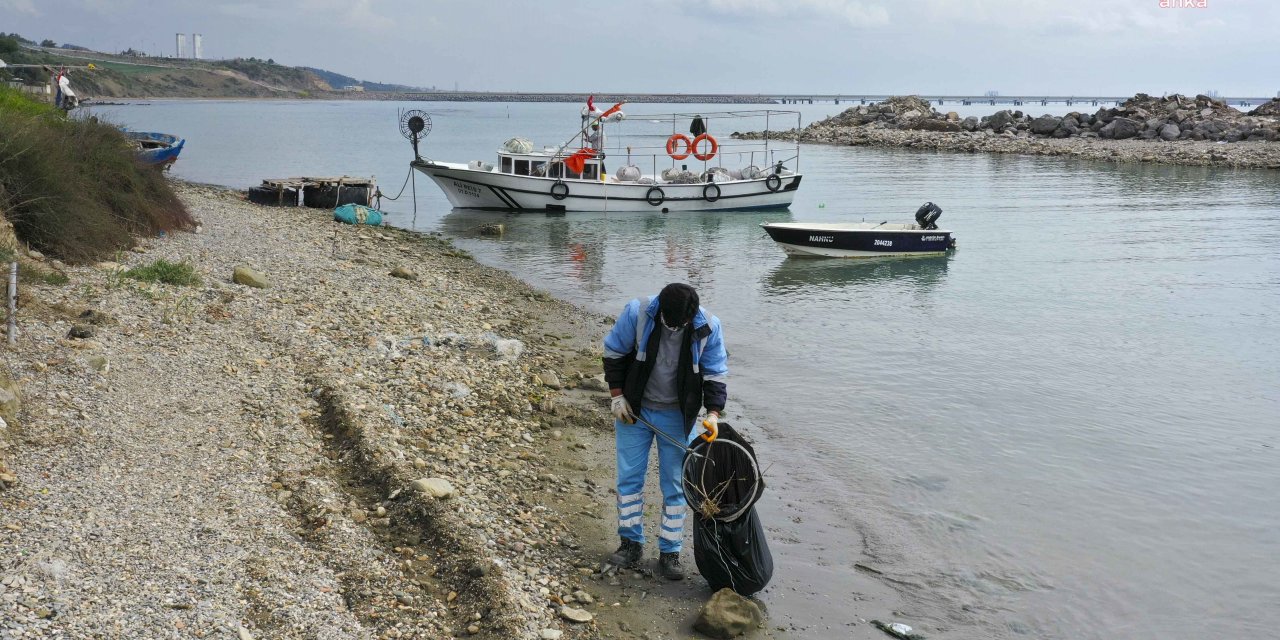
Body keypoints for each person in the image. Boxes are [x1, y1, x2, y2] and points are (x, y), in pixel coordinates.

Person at [601, 283, 728, 580]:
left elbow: (715, 373)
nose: (675, 329)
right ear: (661, 310)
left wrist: (712, 415)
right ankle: (630, 543)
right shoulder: (638, 313)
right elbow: (613, 353)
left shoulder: (709, 326)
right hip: (635, 410)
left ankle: (670, 552)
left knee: (676, 485)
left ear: (691, 317)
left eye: (680, 325)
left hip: (677, 416)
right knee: (629, 479)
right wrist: (617, 396)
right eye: (670, 323)